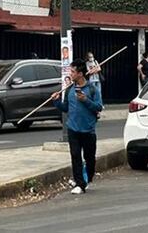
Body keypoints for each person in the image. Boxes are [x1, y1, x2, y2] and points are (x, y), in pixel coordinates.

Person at [51, 60, 103, 194]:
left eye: (73, 72)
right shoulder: (69, 89)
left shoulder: (92, 89)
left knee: (90, 158)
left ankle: (88, 177)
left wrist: (85, 100)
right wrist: (56, 101)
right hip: (73, 129)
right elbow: (66, 108)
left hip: (88, 130)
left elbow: (98, 107)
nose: (70, 74)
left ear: (80, 74)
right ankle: (79, 183)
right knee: (75, 156)